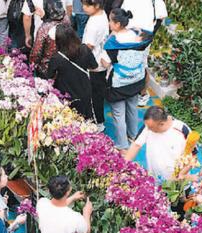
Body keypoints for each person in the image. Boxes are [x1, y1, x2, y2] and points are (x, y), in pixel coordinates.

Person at [102, 8, 150, 151]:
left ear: (117, 24)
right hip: (137, 79)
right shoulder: (139, 35)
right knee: (132, 107)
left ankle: (122, 144)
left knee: (118, 114)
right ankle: (134, 135)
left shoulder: (113, 42)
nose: (109, 23)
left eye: (110, 20)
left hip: (119, 83)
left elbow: (105, 63)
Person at [45, 24, 98, 121]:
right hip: (85, 90)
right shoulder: (85, 49)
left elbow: (50, 76)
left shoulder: (56, 58)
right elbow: (94, 67)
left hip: (67, 95)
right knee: (87, 118)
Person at [124, 106, 191, 181]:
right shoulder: (147, 127)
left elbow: (193, 156)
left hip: (177, 182)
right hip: (155, 180)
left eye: (151, 127)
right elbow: (136, 145)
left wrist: (181, 175)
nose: (148, 129)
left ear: (161, 124)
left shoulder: (182, 129)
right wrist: (123, 166)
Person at [81, 0, 109, 131]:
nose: (83, 7)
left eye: (87, 5)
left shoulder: (93, 24)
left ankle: (98, 123)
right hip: (101, 61)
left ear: (97, 5)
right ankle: (99, 120)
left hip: (94, 65)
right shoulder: (102, 14)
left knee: (94, 95)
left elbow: (88, 46)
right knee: (99, 93)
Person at [29, 0, 69, 78]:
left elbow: (36, 52)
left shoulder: (45, 28)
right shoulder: (66, 21)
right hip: (64, 66)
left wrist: (32, 64)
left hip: (47, 68)